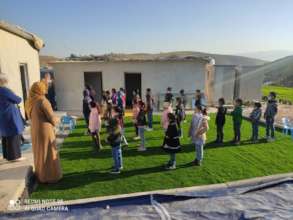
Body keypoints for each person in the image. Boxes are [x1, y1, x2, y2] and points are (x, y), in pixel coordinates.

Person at [25, 82, 62, 183]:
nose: (45, 89)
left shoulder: (29, 101)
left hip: (35, 130)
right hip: (45, 130)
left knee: (39, 153)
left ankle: (41, 176)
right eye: (43, 88)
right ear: (40, 89)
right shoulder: (42, 101)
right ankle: (51, 177)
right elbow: (52, 118)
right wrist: (58, 120)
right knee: (48, 153)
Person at [0, 73, 25, 161]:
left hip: (2, 116)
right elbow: (18, 100)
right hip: (9, 115)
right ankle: (15, 157)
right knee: (13, 135)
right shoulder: (4, 90)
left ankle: (7, 156)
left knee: (5, 136)